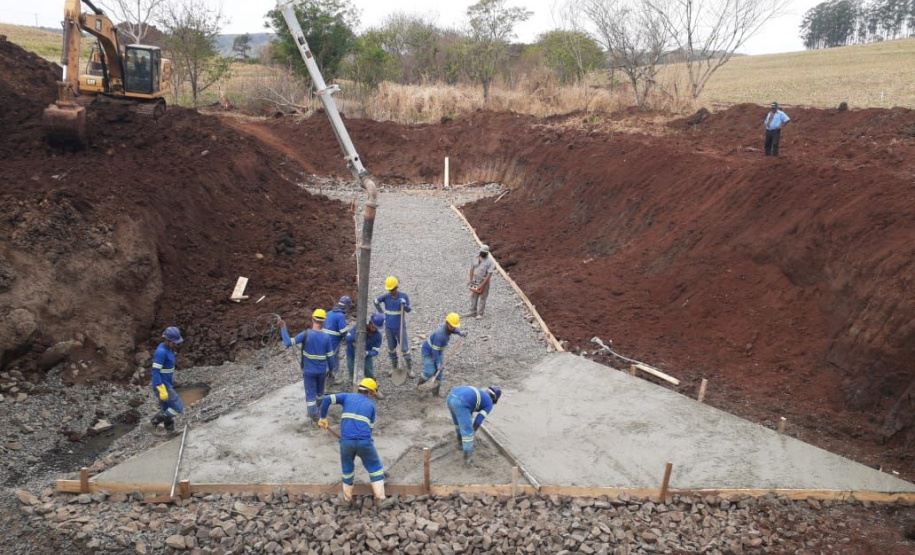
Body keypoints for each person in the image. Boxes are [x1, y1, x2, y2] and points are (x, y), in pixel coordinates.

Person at [318, 378, 389, 506]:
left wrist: (323, 418)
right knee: (375, 468)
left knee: (347, 469)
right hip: (364, 442)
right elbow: (369, 430)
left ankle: (347, 499)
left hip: (346, 442)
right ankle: (380, 499)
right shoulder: (371, 406)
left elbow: (327, 399)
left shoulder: (347, 397)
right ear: (370, 393)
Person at [279, 309, 334, 422]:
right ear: (323, 322)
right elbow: (330, 357)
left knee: (310, 396)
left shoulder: (306, 334)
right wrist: (331, 370)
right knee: (320, 393)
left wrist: (283, 328)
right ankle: (319, 411)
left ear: (312, 319)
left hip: (309, 371)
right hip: (322, 371)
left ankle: (313, 416)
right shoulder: (327, 338)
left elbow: (288, 343)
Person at [446, 385, 502, 467]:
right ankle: (468, 461)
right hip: (461, 402)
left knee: (458, 424)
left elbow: (471, 405)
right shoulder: (489, 403)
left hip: (451, 397)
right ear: (494, 398)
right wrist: (473, 431)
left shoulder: (481, 393)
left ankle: (460, 443)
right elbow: (478, 420)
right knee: (468, 433)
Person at [419, 313, 468, 397]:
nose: (453, 327)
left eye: (454, 326)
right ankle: (419, 386)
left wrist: (460, 332)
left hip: (438, 351)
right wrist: (438, 363)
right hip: (429, 352)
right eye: (452, 326)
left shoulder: (450, 328)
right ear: (447, 323)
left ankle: (435, 394)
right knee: (429, 372)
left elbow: (453, 330)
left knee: (439, 373)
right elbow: (434, 351)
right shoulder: (440, 335)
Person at [374, 276, 413, 377]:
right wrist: (381, 313)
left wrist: (405, 305)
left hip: (400, 327)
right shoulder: (386, 297)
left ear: (396, 287)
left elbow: (409, 310)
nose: (391, 292)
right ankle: (394, 368)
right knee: (391, 348)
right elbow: (375, 301)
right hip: (389, 327)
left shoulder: (403, 296)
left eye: (392, 289)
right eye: (390, 290)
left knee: (404, 348)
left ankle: (409, 369)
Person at [149, 326, 185, 433]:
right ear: (167, 340)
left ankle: (170, 432)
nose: (176, 345)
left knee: (166, 408)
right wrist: (161, 388)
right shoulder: (161, 352)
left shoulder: (169, 349)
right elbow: (155, 371)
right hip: (163, 385)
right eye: (174, 342)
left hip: (167, 383)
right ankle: (153, 423)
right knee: (177, 407)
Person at [346, 313, 384, 382]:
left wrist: (367, 353)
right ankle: (353, 384)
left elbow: (376, 351)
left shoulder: (378, 337)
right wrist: (356, 337)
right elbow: (348, 339)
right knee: (351, 370)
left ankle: (372, 384)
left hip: (366, 356)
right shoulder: (358, 328)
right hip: (352, 353)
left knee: (368, 372)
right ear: (370, 323)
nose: (374, 329)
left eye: (376, 328)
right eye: (373, 326)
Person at [323, 296, 352, 384]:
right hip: (333, 341)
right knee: (333, 359)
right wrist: (349, 338)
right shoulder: (340, 316)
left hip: (324, 338)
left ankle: (323, 379)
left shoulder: (329, 313)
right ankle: (330, 380)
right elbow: (342, 331)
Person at [468, 245, 495, 319]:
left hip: (484, 281)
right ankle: (473, 311)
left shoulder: (490, 262)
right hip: (475, 280)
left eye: (484, 253)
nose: (483, 254)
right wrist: (470, 280)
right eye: (482, 252)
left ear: (487, 253)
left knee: (483, 297)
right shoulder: (475, 258)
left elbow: (489, 275)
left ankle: (480, 313)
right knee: (473, 295)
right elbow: (471, 269)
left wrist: (482, 285)